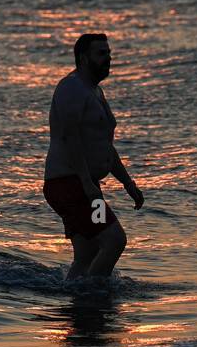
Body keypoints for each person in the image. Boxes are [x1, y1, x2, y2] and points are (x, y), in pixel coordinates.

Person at [43, 33, 144, 282]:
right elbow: (70, 138)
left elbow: (104, 147)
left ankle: (77, 301)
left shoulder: (95, 91)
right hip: (69, 184)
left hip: (81, 184)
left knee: (87, 255)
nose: (107, 59)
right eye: (101, 54)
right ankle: (92, 299)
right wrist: (87, 184)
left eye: (109, 54)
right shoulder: (72, 87)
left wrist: (128, 183)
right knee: (114, 241)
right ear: (83, 58)